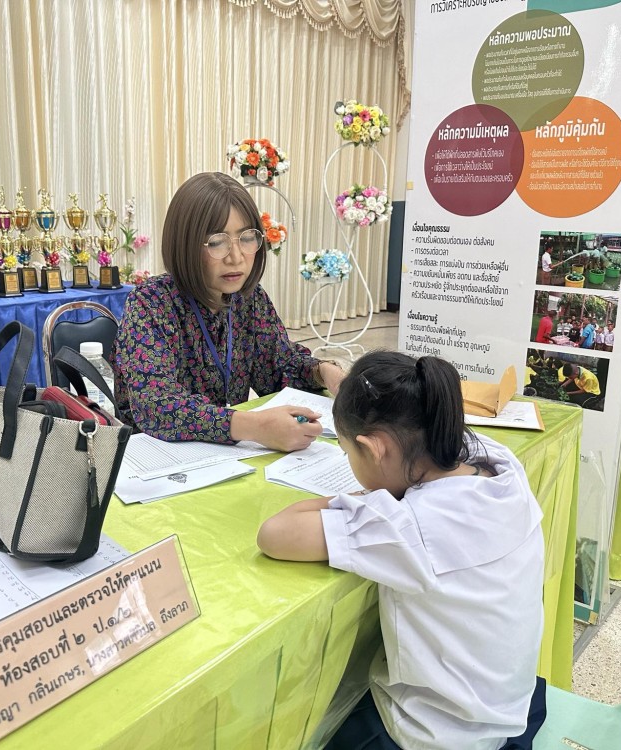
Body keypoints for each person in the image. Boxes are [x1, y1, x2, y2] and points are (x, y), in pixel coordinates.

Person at [257, 352, 547, 750]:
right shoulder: (501, 466)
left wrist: (364, 499)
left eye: (347, 453)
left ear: (374, 448)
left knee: (308, 725)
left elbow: (274, 534)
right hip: (513, 711)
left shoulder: (407, 526)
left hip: (437, 735)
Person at [110, 172, 346, 452]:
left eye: (247, 238)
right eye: (216, 242)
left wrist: (325, 372)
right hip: (158, 457)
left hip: (228, 455)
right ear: (184, 244)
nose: (236, 257)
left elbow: (278, 367)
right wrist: (255, 427)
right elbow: (156, 406)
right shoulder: (151, 302)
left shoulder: (248, 298)